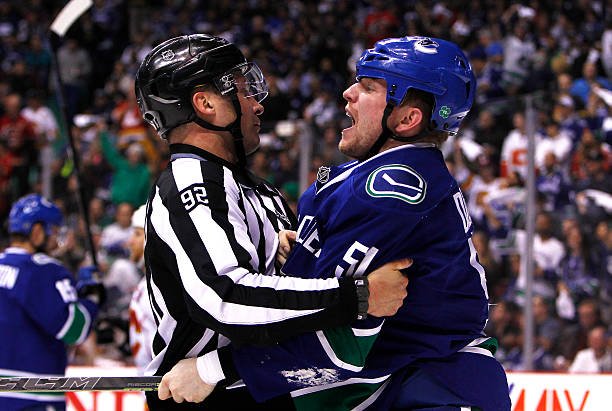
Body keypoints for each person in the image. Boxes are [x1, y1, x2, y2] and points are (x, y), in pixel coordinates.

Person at [159, 36, 511, 410]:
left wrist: (213, 369)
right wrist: (289, 255)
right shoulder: (361, 178)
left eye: (369, 87)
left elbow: (338, 341)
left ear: (407, 119)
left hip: (430, 390)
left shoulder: (389, 191)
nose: (348, 94)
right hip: (398, 386)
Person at [134, 34, 410, 410]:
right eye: (244, 91)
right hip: (206, 398)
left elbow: (287, 298)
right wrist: (358, 295)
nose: (257, 104)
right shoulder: (191, 182)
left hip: (258, 387)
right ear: (206, 103)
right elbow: (224, 299)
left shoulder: (261, 193)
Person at [0, 194, 104, 411]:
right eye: (54, 232)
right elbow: (73, 329)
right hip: (33, 397)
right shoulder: (44, 270)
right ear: (37, 232)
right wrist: (90, 299)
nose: (55, 239)